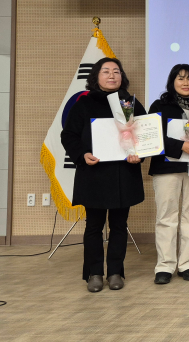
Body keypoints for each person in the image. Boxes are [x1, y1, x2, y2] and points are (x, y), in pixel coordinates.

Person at [61, 57, 145, 293]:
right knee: (93, 226)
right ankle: (94, 273)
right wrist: (82, 154)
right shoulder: (84, 104)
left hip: (123, 174)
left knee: (119, 225)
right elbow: (68, 136)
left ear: (122, 76)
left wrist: (140, 154)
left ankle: (116, 272)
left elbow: (147, 135)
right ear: (96, 76)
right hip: (94, 174)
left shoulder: (132, 103)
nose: (111, 75)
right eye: (106, 71)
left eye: (116, 71)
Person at [148, 64, 189, 285]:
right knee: (166, 217)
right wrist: (180, 147)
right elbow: (150, 137)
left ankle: (187, 264)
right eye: (180, 78)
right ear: (172, 81)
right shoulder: (160, 105)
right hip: (167, 168)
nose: (186, 83)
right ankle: (165, 266)